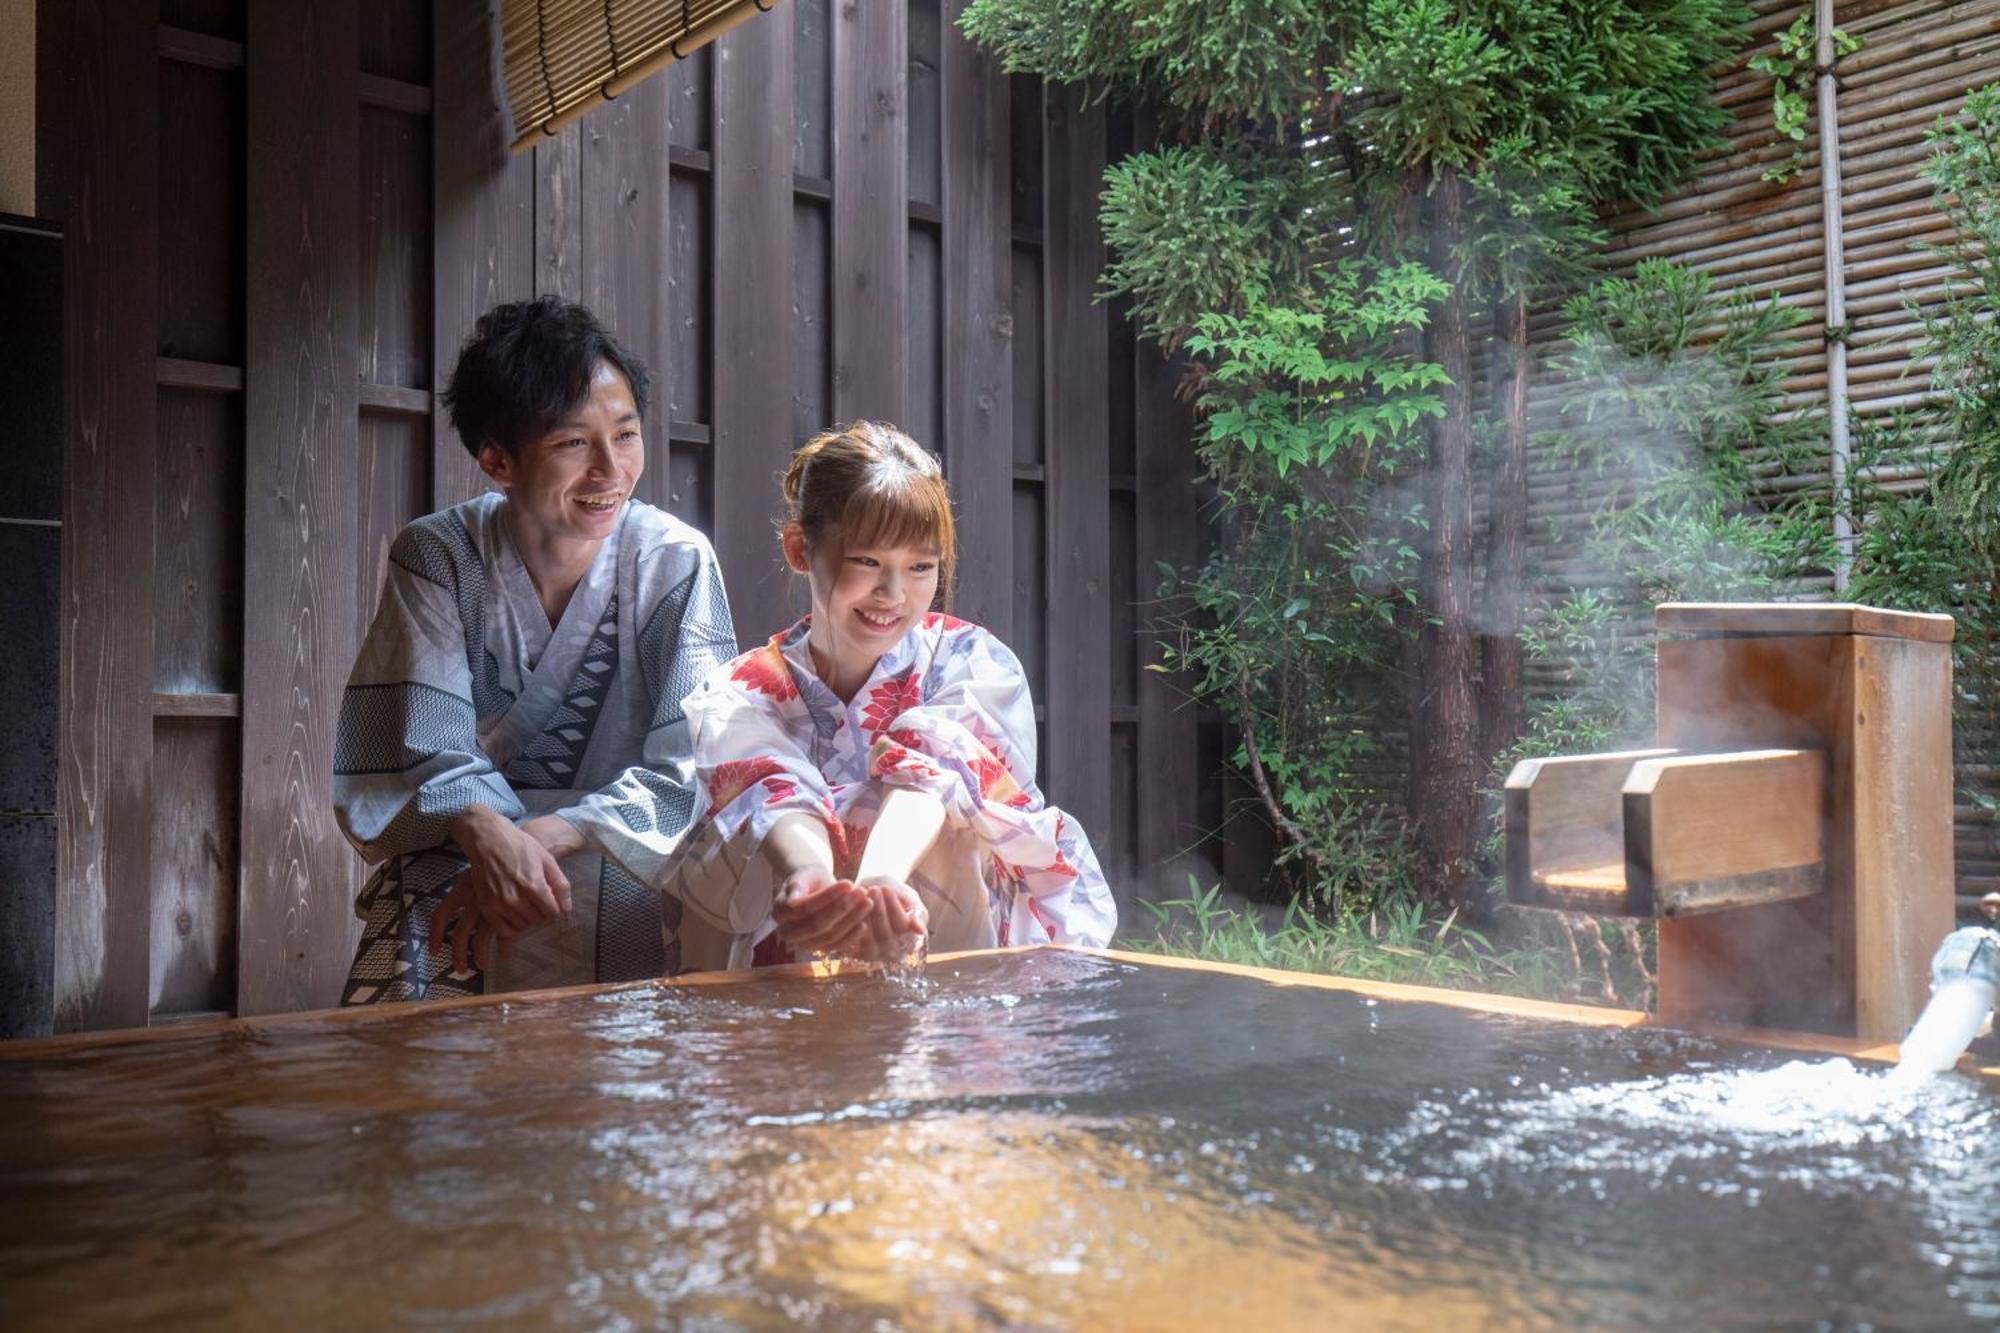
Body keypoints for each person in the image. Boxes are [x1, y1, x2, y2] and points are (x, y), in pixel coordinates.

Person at [334, 297, 737, 1003]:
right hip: (468, 856)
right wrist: (485, 831)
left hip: (628, 857)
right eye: (573, 443)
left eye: (627, 434)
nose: (611, 470)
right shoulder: (438, 556)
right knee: (403, 1076)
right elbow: (422, 752)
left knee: (646, 1073)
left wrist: (547, 837)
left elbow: (696, 766)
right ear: (497, 459)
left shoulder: (677, 563)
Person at [658, 420, 1116, 969]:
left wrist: (881, 879)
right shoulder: (739, 691)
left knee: (959, 817)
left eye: (920, 567)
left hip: (940, 921)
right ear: (801, 549)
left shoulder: (973, 662)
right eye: (868, 562)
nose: (893, 594)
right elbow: (772, 790)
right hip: (793, 926)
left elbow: (932, 772)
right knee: (740, 838)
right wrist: (811, 880)